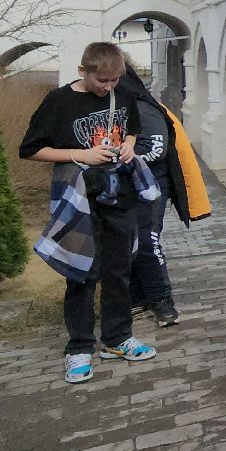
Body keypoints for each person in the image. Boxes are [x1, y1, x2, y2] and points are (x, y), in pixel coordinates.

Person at [20, 42, 157, 384]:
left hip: (119, 194)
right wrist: (81, 154)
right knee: (81, 272)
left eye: (114, 81)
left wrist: (128, 145)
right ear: (83, 72)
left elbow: (133, 131)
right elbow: (32, 150)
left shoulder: (122, 94)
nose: (109, 87)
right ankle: (79, 346)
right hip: (79, 196)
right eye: (103, 81)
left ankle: (117, 337)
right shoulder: (60, 101)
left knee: (119, 268)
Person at [118, 65, 212, 328]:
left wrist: (117, 160)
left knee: (148, 242)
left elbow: (156, 149)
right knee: (127, 243)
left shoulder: (144, 108)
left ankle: (162, 301)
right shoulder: (113, 108)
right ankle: (137, 297)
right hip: (124, 187)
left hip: (151, 187)